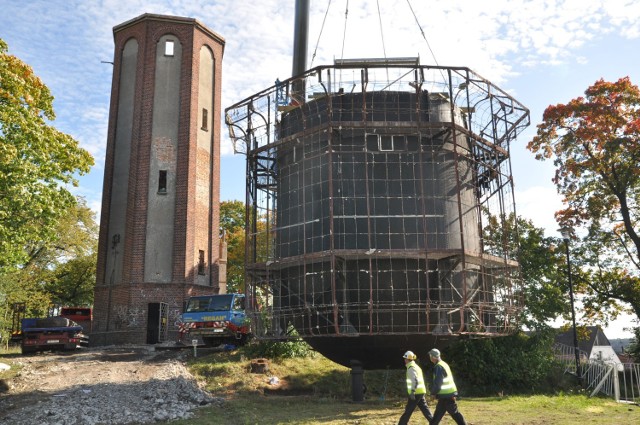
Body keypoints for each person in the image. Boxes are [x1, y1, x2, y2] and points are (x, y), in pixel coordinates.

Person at [428, 348, 467, 425]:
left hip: (446, 395)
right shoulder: (444, 364)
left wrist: (433, 393)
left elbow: (438, 382)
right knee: (439, 415)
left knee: (454, 414)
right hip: (447, 395)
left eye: (430, 356)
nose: (430, 357)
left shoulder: (438, 367)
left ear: (433, 357)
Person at [398, 350, 433, 425]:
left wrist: (412, 392)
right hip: (420, 391)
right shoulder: (416, 367)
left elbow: (414, 380)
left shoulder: (411, 368)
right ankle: (434, 422)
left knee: (408, 411)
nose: (404, 360)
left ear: (407, 359)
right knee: (425, 410)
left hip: (415, 393)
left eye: (405, 358)